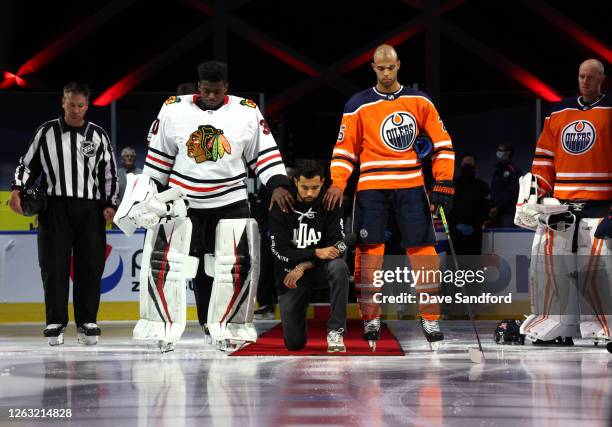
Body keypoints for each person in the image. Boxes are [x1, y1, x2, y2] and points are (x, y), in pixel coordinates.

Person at [141, 61, 294, 338]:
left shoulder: (246, 111)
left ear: (226, 87)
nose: (211, 96)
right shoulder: (174, 108)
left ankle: (230, 325)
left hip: (231, 200)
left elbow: (264, 154)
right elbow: (159, 158)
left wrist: (277, 184)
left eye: (216, 91)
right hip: (184, 202)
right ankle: (194, 325)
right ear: (198, 87)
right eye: (206, 91)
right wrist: (148, 193)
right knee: (184, 266)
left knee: (232, 267)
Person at [324, 44, 455, 350]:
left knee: (424, 252)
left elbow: (442, 144)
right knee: (369, 255)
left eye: (390, 68)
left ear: (399, 65)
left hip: (411, 184)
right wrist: (338, 183)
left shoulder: (420, 100)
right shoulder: (357, 104)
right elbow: (344, 151)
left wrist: (444, 184)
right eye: (380, 68)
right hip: (371, 186)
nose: (385, 73)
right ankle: (371, 317)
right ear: (373, 67)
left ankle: (430, 316)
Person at [9, 81, 118, 346]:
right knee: (53, 265)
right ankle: (55, 323)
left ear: (87, 105)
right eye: (71, 105)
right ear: (63, 102)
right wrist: (16, 190)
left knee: (90, 266)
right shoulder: (46, 132)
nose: (76, 110)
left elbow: (109, 173)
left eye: (81, 105)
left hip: (90, 210)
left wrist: (111, 204)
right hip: (54, 207)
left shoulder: (99, 135)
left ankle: (87, 322)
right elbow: (27, 164)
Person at [515, 59, 611, 346]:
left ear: (602, 80)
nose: (585, 81)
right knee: (548, 266)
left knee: (599, 270)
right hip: (563, 208)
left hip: (600, 207)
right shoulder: (558, 112)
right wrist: (536, 196)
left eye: (591, 77)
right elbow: (544, 160)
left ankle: (603, 326)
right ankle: (551, 322)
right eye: (581, 76)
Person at [269, 160, 349, 352]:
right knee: (294, 344)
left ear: (323, 182)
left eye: (315, 187)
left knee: (339, 267)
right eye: (305, 187)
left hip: (316, 269)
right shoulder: (281, 204)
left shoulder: (330, 203)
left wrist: (304, 265)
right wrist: (315, 252)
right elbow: (278, 251)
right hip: (290, 274)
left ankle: (335, 332)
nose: (310, 193)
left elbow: (338, 247)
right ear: (294, 181)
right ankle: (297, 319)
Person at [450, 154, 490, 255]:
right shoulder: (452, 185)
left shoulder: (483, 186)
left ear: (475, 167)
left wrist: (475, 225)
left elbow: (485, 208)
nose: (467, 168)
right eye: (465, 165)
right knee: (454, 266)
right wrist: (455, 224)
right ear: (460, 166)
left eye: (470, 165)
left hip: (474, 234)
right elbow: (447, 208)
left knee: (473, 266)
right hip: (455, 233)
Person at [489, 143, 521, 227]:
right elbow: (494, 191)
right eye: (498, 150)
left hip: (508, 213)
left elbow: (512, 192)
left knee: (507, 237)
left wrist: (498, 207)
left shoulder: (513, 170)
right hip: (495, 213)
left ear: (508, 153)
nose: (498, 152)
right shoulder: (497, 170)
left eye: (501, 150)